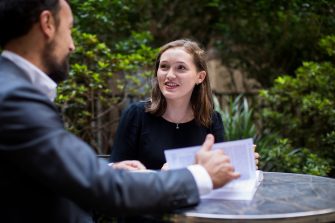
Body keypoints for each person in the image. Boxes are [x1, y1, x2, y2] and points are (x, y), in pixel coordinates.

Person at [0, 0, 240, 222]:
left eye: (181, 68)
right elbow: (104, 188)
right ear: (47, 24)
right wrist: (199, 176)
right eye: (70, 29)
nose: (72, 45)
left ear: (200, 77)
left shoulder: (12, 90)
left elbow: (52, 171)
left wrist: (111, 169)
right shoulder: (14, 99)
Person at [110, 39, 225, 170]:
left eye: (181, 68)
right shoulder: (136, 115)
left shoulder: (212, 120)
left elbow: (219, 174)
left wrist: (242, 160)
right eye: (164, 66)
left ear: (200, 77)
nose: (169, 75)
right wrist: (163, 177)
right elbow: (114, 174)